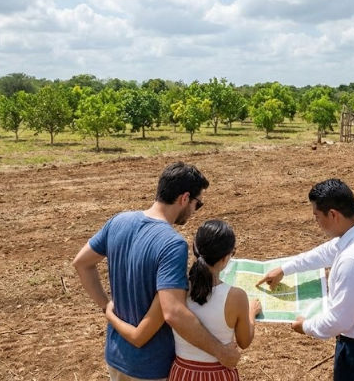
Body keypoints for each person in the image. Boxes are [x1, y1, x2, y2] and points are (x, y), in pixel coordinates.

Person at [72, 162, 240, 381]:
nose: (194, 211)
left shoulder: (118, 221)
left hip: (116, 357)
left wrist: (106, 306)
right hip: (151, 367)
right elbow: (173, 313)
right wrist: (221, 351)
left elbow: (82, 263)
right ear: (184, 198)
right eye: (197, 204)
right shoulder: (172, 244)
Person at [256, 178, 354, 381]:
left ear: (333, 214)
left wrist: (305, 326)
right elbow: (327, 252)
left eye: (317, 216)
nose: (316, 222)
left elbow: (339, 321)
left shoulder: (353, 261)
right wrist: (285, 268)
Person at [105, 220, 261, 380]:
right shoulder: (236, 296)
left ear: (195, 248)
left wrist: (109, 313)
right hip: (218, 373)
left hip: (182, 372)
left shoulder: (174, 290)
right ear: (225, 259)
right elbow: (244, 341)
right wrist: (251, 313)